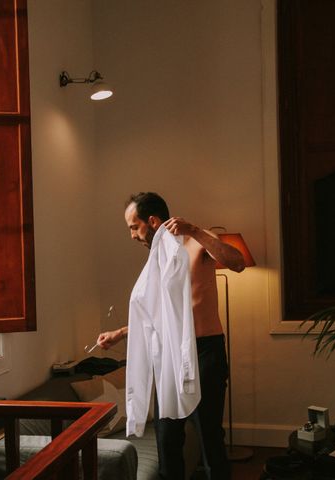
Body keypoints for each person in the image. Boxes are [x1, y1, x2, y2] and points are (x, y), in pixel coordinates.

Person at [97, 192, 248, 479]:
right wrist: (120, 333)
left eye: (133, 226)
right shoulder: (156, 260)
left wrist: (194, 230)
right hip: (169, 357)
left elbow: (237, 261)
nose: (131, 235)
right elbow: (162, 320)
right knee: (167, 438)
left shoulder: (194, 244)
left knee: (209, 438)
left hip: (204, 352)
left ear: (152, 221)